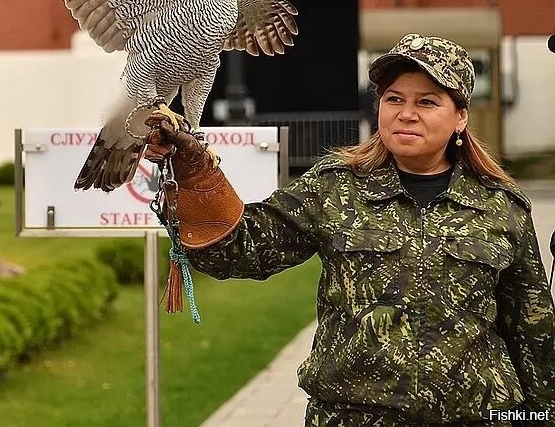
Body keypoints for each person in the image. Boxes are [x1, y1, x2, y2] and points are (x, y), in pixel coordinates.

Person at [144, 33, 555, 425]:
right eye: (394, 98)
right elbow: (238, 250)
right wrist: (192, 172)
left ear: (460, 116)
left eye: (427, 102)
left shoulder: (501, 208)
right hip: (351, 417)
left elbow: (533, 331)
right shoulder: (336, 188)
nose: (406, 113)